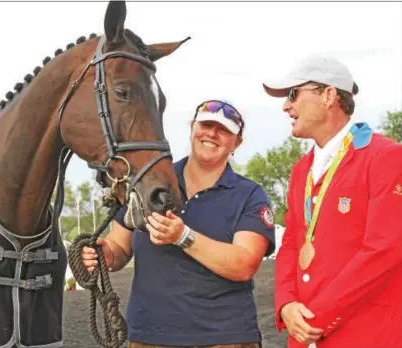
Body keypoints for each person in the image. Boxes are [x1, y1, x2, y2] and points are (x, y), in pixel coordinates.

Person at [82, 99, 276, 348]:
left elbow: (244, 264)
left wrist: (183, 236)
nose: (212, 133)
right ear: (192, 128)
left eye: (224, 130)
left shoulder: (250, 195)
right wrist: (104, 254)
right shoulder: (149, 180)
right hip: (149, 337)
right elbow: (118, 247)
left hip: (226, 338)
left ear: (236, 143)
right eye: (206, 124)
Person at [263, 55, 402, 348]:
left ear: (328, 96)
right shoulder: (302, 169)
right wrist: (286, 304)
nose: (286, 105)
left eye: (293, 94)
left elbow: (384, 250)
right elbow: (291, 243)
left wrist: (318, 316)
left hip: (365, 336)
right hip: (304, 337)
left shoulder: (385, 157)